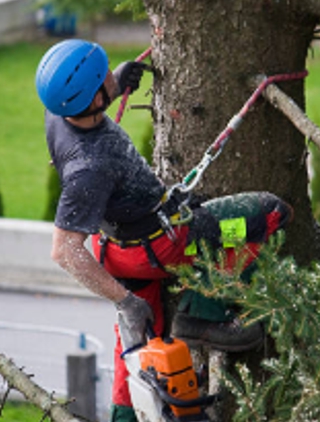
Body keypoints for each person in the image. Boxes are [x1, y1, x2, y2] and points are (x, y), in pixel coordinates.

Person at [35, 39, 293, 422]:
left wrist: (116, 85)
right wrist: (124, 300)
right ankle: (203, 314)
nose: (110, 74)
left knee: (137, 351)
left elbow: (85, 102)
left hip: (116, 250)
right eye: (104, 76)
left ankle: (124, 418)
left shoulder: (58, 114)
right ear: (91, 100)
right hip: (161, 247)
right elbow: (64, 251)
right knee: (267, 214)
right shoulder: (89, 167)